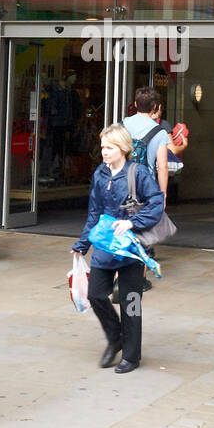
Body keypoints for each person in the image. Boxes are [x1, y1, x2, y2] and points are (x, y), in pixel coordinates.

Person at [72, 123, 164, 374]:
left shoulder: (139, 173)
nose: (105, 152)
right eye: (103, 147)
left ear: (123, 148)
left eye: (110, 147)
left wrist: (133, 222)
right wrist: (82, 244)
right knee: (96, 295)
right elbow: (94, 213)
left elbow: (156, 204)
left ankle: (131, 356)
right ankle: (116, 338)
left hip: (131, 250)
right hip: (105, 247)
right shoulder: (100, 175)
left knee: (130, 303)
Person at [122, 87, 171, 293]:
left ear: (135, 105)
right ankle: (138, 281)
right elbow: (162, 166)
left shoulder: (122, 124)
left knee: (120, 229)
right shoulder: (159, 132)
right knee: (141, 231)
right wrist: (163, 194)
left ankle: (118, 276)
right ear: (156, 108)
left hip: (121, 183)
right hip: (144, 187)